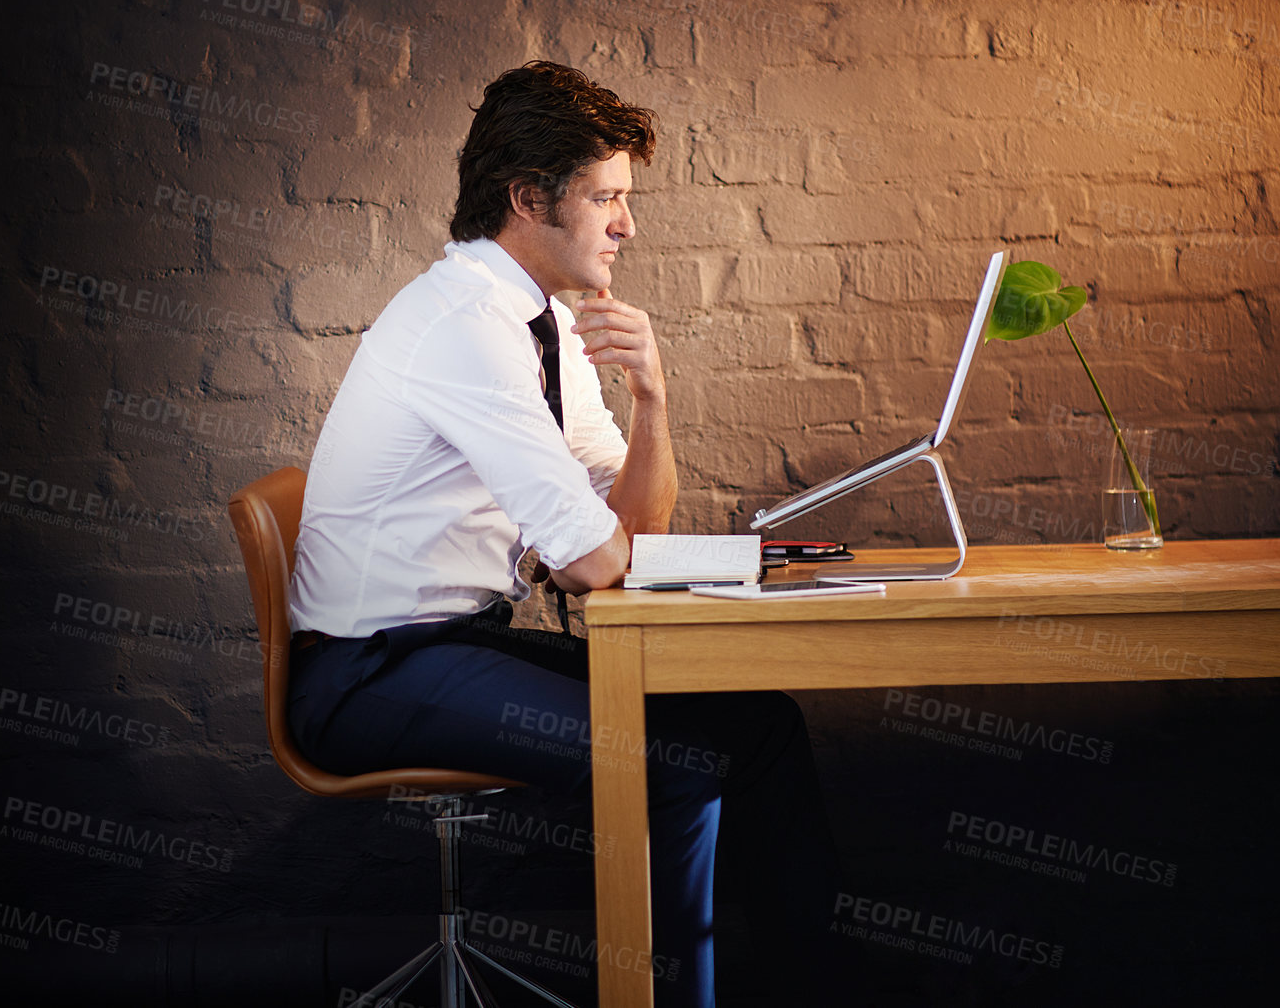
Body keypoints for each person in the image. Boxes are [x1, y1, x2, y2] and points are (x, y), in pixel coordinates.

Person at [286, 60, 857, 1005]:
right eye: (606, 198)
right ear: (527, 199)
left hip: (449, 648)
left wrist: (653, 399)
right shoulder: (467, 325)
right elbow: (596, 564)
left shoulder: (541, 318)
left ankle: (816, 988)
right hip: (367, 674)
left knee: (759, 725)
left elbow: (632, 528)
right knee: (683, 763)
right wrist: (651, 555)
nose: (628, 224)